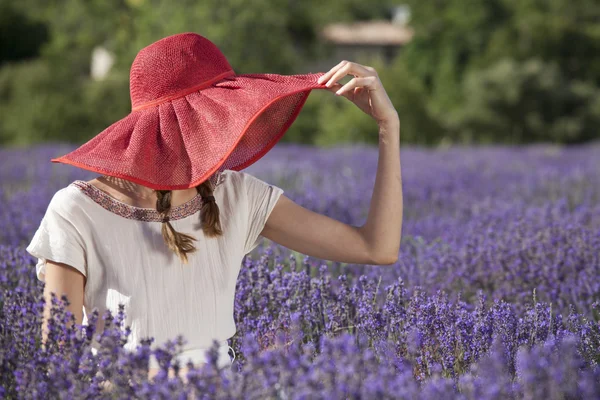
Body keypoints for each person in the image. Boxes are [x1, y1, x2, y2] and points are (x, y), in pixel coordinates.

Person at [25, 32, 403, 384]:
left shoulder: (236, 195)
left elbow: (377, 248)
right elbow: (59, 362)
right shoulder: (77, 211)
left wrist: (389, 128)